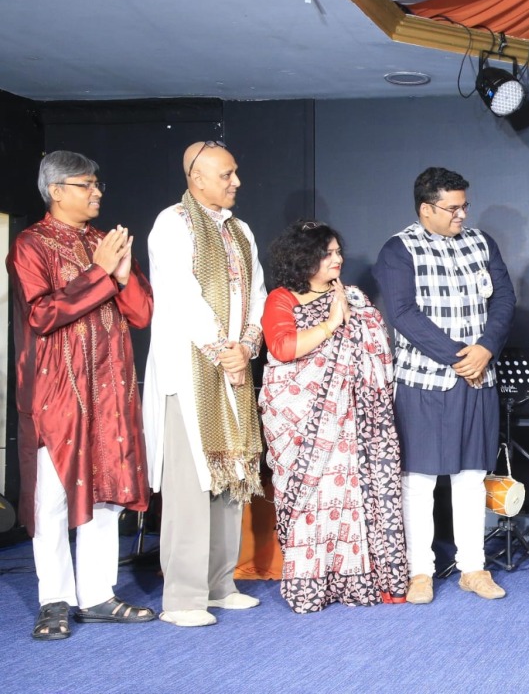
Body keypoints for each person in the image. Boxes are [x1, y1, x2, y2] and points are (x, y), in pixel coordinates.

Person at [8, 151, 156, 640]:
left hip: (110, 390)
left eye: (97, 184)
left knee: (107, 493)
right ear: (56, 191)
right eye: (85, 185)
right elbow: (42, 315)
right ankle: (53, 599)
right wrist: (98, 273)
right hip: (59, 393)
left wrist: (120, 272)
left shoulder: (103, 242)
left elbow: (140, 313)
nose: (97, 193)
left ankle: (96, 595)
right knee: (51, 498)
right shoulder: (30, 245)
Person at [373, 167, 515, 604]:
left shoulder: (481, 242)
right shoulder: (399, 249)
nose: (461, 214)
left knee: (471, 476)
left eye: (464, 205)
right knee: (419, 480)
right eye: (452, 208)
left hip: (479, 378)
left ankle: (474, 568)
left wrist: (485, 348)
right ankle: (420, 572)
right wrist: (460, 356)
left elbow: (505, 299)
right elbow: (402, 313)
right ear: (425, 209)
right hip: (424, 382)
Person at [143, 141, 268, 627]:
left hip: (233, 367)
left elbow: (256, 292)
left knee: (231, 475)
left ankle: (220, 585)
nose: (236, 182)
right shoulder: (172, 223)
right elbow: (179, 295)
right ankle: (182, 599)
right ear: (196, 179)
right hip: (189, 370)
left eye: (235, 173)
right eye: (226, 175)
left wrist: (247, 347)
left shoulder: (241, 230)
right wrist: (224, 349)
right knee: (190, 485)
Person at [259, 221, 408, 612]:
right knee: (313, 499)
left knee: (352, 497)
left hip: (355, 423)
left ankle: (357, 582)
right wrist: (330, 323)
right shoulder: (282, 298)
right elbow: (283, 347)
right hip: (305, 423)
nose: (337, 259)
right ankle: (310, 584)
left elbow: (378, 351)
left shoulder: (354, 297)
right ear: (303, 258)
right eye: (327, 253)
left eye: (338, 252)